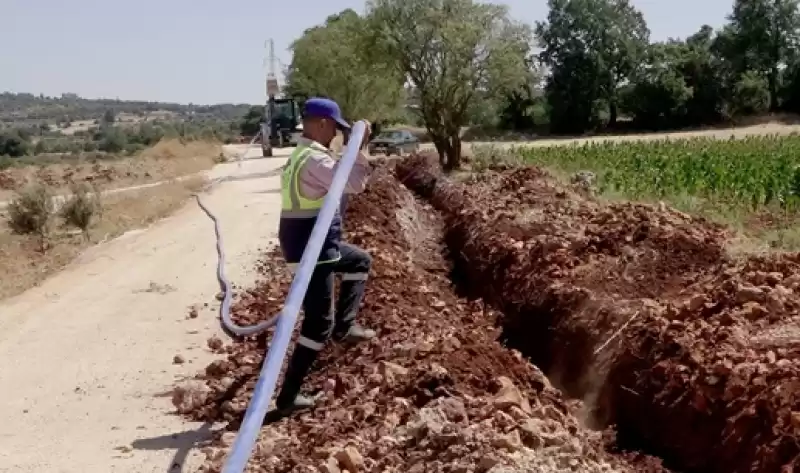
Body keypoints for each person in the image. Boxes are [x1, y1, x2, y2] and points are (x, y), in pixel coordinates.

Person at [274, 97, 376, 413]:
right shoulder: (314, 160)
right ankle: (288, 397)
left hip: (309, 243)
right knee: (317, 325)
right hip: (311, 245)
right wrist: (360, 148)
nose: (336, 134)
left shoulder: (301, 155)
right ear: (321, 123)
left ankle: (344, 327)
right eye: (335, 127)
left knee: (359, 260)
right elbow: (356, 184)